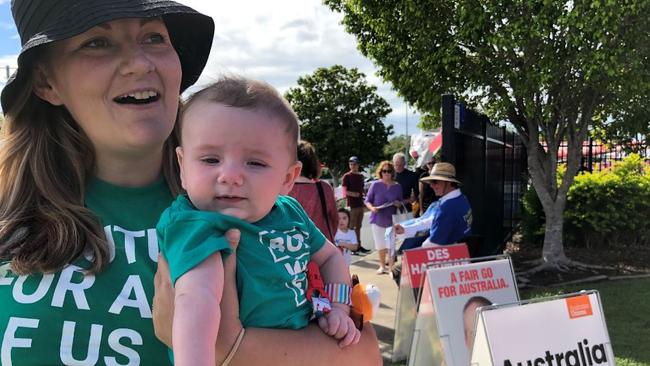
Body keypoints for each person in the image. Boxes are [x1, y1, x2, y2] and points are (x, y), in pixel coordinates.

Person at [0, 1, 381, 365]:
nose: (140, 62)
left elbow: (364, 354)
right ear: (45, 82)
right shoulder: (7, 211)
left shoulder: (250, 207)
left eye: (154, 37)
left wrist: (232, 348)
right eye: (96, 42)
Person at [158, 77, 360, 364]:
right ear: (183, 167)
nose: (229, 175)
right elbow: (195, 298)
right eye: (210, 159)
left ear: (288, 178)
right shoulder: (194, 222)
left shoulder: (290, 212)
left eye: (255, 163)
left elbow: (330, 257)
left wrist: (339, 306)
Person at [394, 162, 472, 247]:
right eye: (430, 182)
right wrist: (404, 229)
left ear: (448, 182)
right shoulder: (462, 199)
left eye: (435, 181)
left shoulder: (446, 209)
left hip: (448, 256)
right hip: (461, 253)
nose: (431, 185)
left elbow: (432, 244)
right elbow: (431, 221)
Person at [288, 140, 339, 243]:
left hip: (292, 252)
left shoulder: (281, 190)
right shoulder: (324, 188)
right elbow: (334, 220)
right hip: (323, 250)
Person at [365, 161, 402, 274]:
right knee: (380, 245)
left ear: (392, 173)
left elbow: (400, 202)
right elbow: (367, 200)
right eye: (384, 171)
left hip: (391, 220)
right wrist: (372, 208)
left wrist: (398, 203)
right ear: (380, 172)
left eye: (389, 171)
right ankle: (382, 266)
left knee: (390, 245)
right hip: (377, 219)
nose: (386, 173)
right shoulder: (375, 185)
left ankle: (391, 267)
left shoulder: (397, 186)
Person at [341, 156, 369, 253]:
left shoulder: (361, 176)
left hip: (360, 204)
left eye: (355, 164)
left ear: (358, 165)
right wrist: (352, 193)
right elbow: (343, 191)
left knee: (359, 226)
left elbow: (362, 189)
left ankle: (358, 246)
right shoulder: (347, 176)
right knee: (350, 227)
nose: (353, 166)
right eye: (351, 164)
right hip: (351, 205)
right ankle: (350, 247)